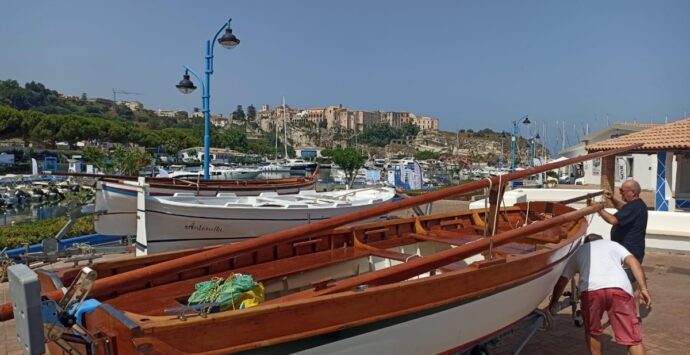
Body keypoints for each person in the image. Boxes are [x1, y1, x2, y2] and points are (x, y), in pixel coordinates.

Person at [548, 234, 651, 355]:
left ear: (586, 243)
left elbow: (562, 281)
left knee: (592, 332)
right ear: (602, 240)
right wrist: (644, 288)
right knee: (633, 339)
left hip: (592, 290)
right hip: (619, 289)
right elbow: (634, 262)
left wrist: (554, 302)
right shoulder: (614, 245)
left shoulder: (579, 251)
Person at [592, 179, 648, 317]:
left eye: (622, 191)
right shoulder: (636, 205)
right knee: (633, 283)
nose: (620, 193)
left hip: (628, 252)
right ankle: (636, 314)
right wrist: (613, 200)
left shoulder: (635, 206)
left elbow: (613, 220)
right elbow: (623, 208)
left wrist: (598, 208)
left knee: (625, 284)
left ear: (633, 192)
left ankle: (626, 315)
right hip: (634, 250)